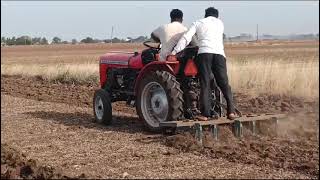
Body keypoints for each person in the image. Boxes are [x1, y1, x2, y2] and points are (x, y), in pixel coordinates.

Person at [171, 7, 236, 120]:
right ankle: (231, 111)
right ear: (216, 16)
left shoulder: (198, 22)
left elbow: (186, 38)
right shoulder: (220, 23)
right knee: (224, 83)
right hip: (220, 54)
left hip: (205, 53)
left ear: (205, 15)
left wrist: (174, 52)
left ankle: (205, 114)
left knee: (205, 83)